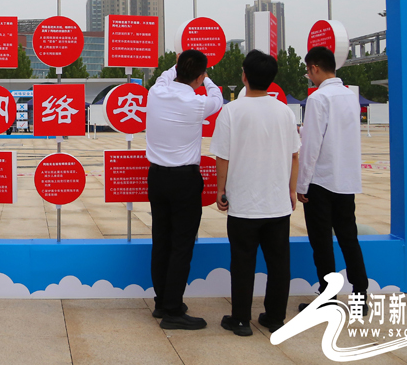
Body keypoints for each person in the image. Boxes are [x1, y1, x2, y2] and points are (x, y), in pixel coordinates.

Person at [210, 50, 300, 336]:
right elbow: (294, 155)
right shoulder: (285, 112)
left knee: (242, 262)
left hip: (243, 203)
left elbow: (222, 156)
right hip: (277, 203)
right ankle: (274, 318)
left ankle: (240, 320)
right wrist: (292, 190)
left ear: (244, 76)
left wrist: (220, 189)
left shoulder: (231, 111)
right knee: (279, 263)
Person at [145, 50, 223, 330]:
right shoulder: (198, 103)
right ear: (200, 77)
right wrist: (206, 77)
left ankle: (162, 301)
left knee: (161, 241)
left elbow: (166, 76)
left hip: (157, 177)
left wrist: (178, 64)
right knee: (181, 245)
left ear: (177, 69)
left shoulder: (156, 92)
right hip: (184, 181)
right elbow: (218, 97)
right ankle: (173, 309)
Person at [298, 46, 368, 313]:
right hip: (345, 180)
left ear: (315, 68)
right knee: (349, 238)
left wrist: (301, 185)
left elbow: (311, 146)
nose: (309, 76)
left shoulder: (318, 98)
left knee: (322, 242)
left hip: (321, 181)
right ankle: (360, 296)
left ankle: (328, 298)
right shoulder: (350, 96)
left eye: (308, 71)